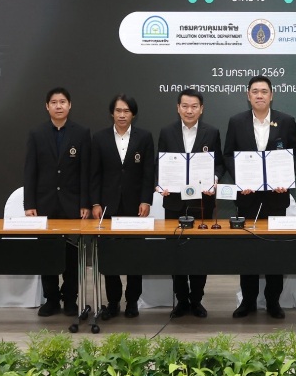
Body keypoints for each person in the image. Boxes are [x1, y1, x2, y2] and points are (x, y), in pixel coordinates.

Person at [224, 75, 296, 319]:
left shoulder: (286, 121)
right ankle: (248, 301)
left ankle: (273, 302)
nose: (259, 95)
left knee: (273, 252)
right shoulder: (236, 121)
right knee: (248, 252)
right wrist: (241, 179)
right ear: (248, 95)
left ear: (271, 95)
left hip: (276, 198)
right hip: (247, 198)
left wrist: (285, 178)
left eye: (264, 91)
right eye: (255, 91)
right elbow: (228, 155)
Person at [157, 88, 225, 319]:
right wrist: (161, 184)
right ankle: (181, 300)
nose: (189, 110)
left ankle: (196, 300)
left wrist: (214, 179)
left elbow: (219, 164)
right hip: (174, 201)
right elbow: (160, 163)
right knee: (176, 252)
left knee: (199, 252)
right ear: (178, 108)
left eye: (194, 106)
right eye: (185, 106)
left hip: (201, 202)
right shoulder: (167, 132)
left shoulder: (211, 132)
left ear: (201, 109)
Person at [23, 87, 91, 318]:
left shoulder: (81, 133)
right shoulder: (37, 133)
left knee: (72, 256)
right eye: (54, 102)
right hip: (45, 204)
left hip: (72, 204)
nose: (58, 106)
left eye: (63, 102)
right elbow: (30, 171)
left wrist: (85, 203)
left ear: (69, 105)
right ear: (47, 106)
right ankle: (51, 299)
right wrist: (29, 204)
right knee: (47, 253)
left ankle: (70, 299)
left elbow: (85, 171)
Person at [90, 94, 154, 319]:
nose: (122, 115)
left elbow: (148, 172)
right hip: (108, 206)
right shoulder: (100, 138)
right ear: (112, 113)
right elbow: (94, 174)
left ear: (133, 114)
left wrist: (146, 200)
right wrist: (95, 202)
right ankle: (113, 301)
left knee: (135, 255)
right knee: (111, 256)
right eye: (118, 111)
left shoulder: (144, 137)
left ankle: (133, 301)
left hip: (135, 206)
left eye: (126, 111)